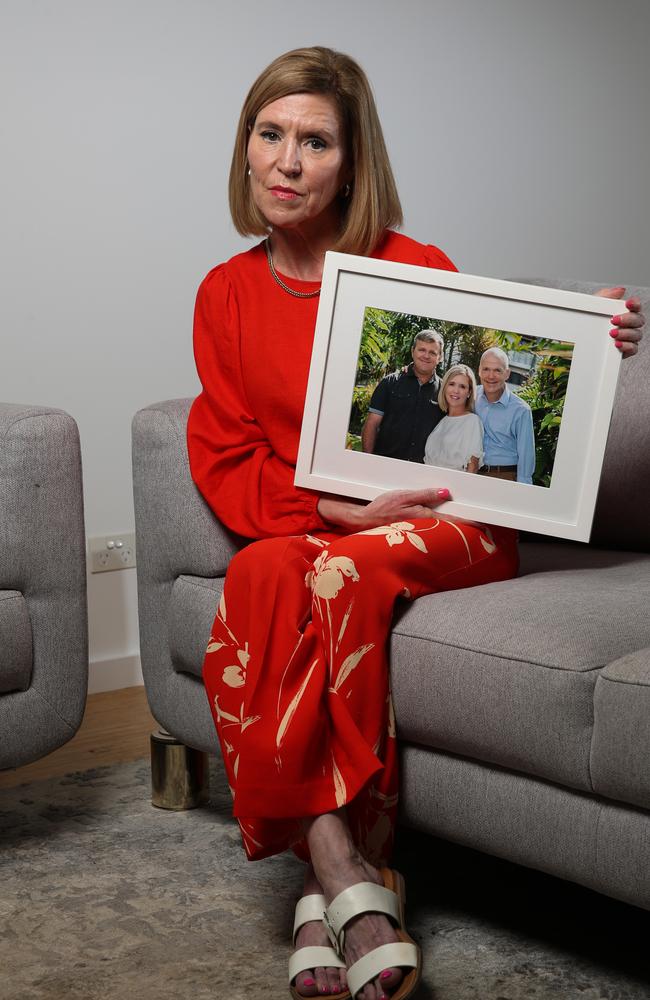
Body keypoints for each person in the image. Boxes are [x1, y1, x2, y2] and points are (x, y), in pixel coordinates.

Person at [186, 47, 644, 1000]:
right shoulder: (224, 294)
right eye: (268, 135)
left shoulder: (411, 266)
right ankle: (339, 867)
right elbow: (228, 452)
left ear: (351, 163)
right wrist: (335, 508)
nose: (286, 161)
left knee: (331, 572)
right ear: (244, 150)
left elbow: (505, 342)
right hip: (334, 524)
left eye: (314, 141)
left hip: (448, 525)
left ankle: (344, 875)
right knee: (263, 573)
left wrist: (589, 331)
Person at [361, 330, 444, 462]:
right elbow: (372, 424)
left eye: (432, 352)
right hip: (385, 463)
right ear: (413, 351)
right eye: (421, 350)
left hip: (423, 470)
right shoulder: (390, 383)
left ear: (440, 357)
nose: (426, 356)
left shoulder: (445, 392)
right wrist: (367, 461)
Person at [476, 347, 535, 483]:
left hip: (504, 476)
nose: (491, 376)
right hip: (472, 473)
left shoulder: (521, 410)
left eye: (497, 370)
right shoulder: (470, 396)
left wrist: (523, 490)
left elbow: (526, 457)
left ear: (507, 373)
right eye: (486, 369)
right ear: (479, 371)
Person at [423, 364, 483, 472]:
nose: (456, 390)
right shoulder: (442, 421)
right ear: (445, 387)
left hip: (454, 486)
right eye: (452, 384)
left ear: (469, 392)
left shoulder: (472, 421)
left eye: (462, 386)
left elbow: (472, 467)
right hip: (429, 483)